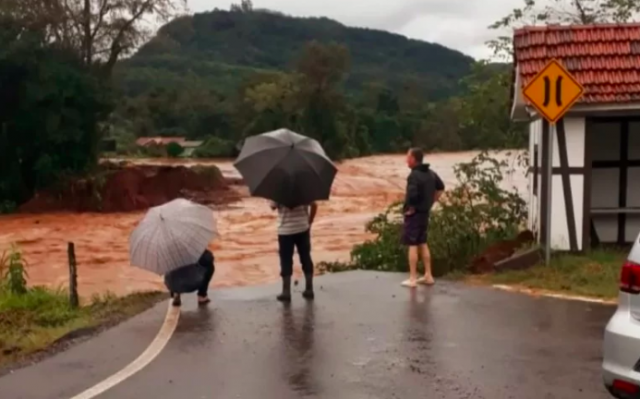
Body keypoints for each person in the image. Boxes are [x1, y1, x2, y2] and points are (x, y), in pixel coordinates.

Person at [402, 147, 445, 288]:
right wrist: (432, 201)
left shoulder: (414, 175)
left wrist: (411, 208)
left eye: (408, 157)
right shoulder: (431, 173)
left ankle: (413, 278)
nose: (406, 160)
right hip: (425, 213)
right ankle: (428, 275)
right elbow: (441, 187)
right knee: (423, 242)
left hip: (414, 214)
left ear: (413, 159)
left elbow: (412, 195)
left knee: (413, 244)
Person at [270, 201, 318, 302]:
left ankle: (286, 291)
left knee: (286, 260)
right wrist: (310, 222)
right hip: (303, 228)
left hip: (285, 231)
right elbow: (314, 205)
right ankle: (309, 289)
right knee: (305, 257)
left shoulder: (279, 189)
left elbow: (273, 207)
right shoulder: (304, 187)